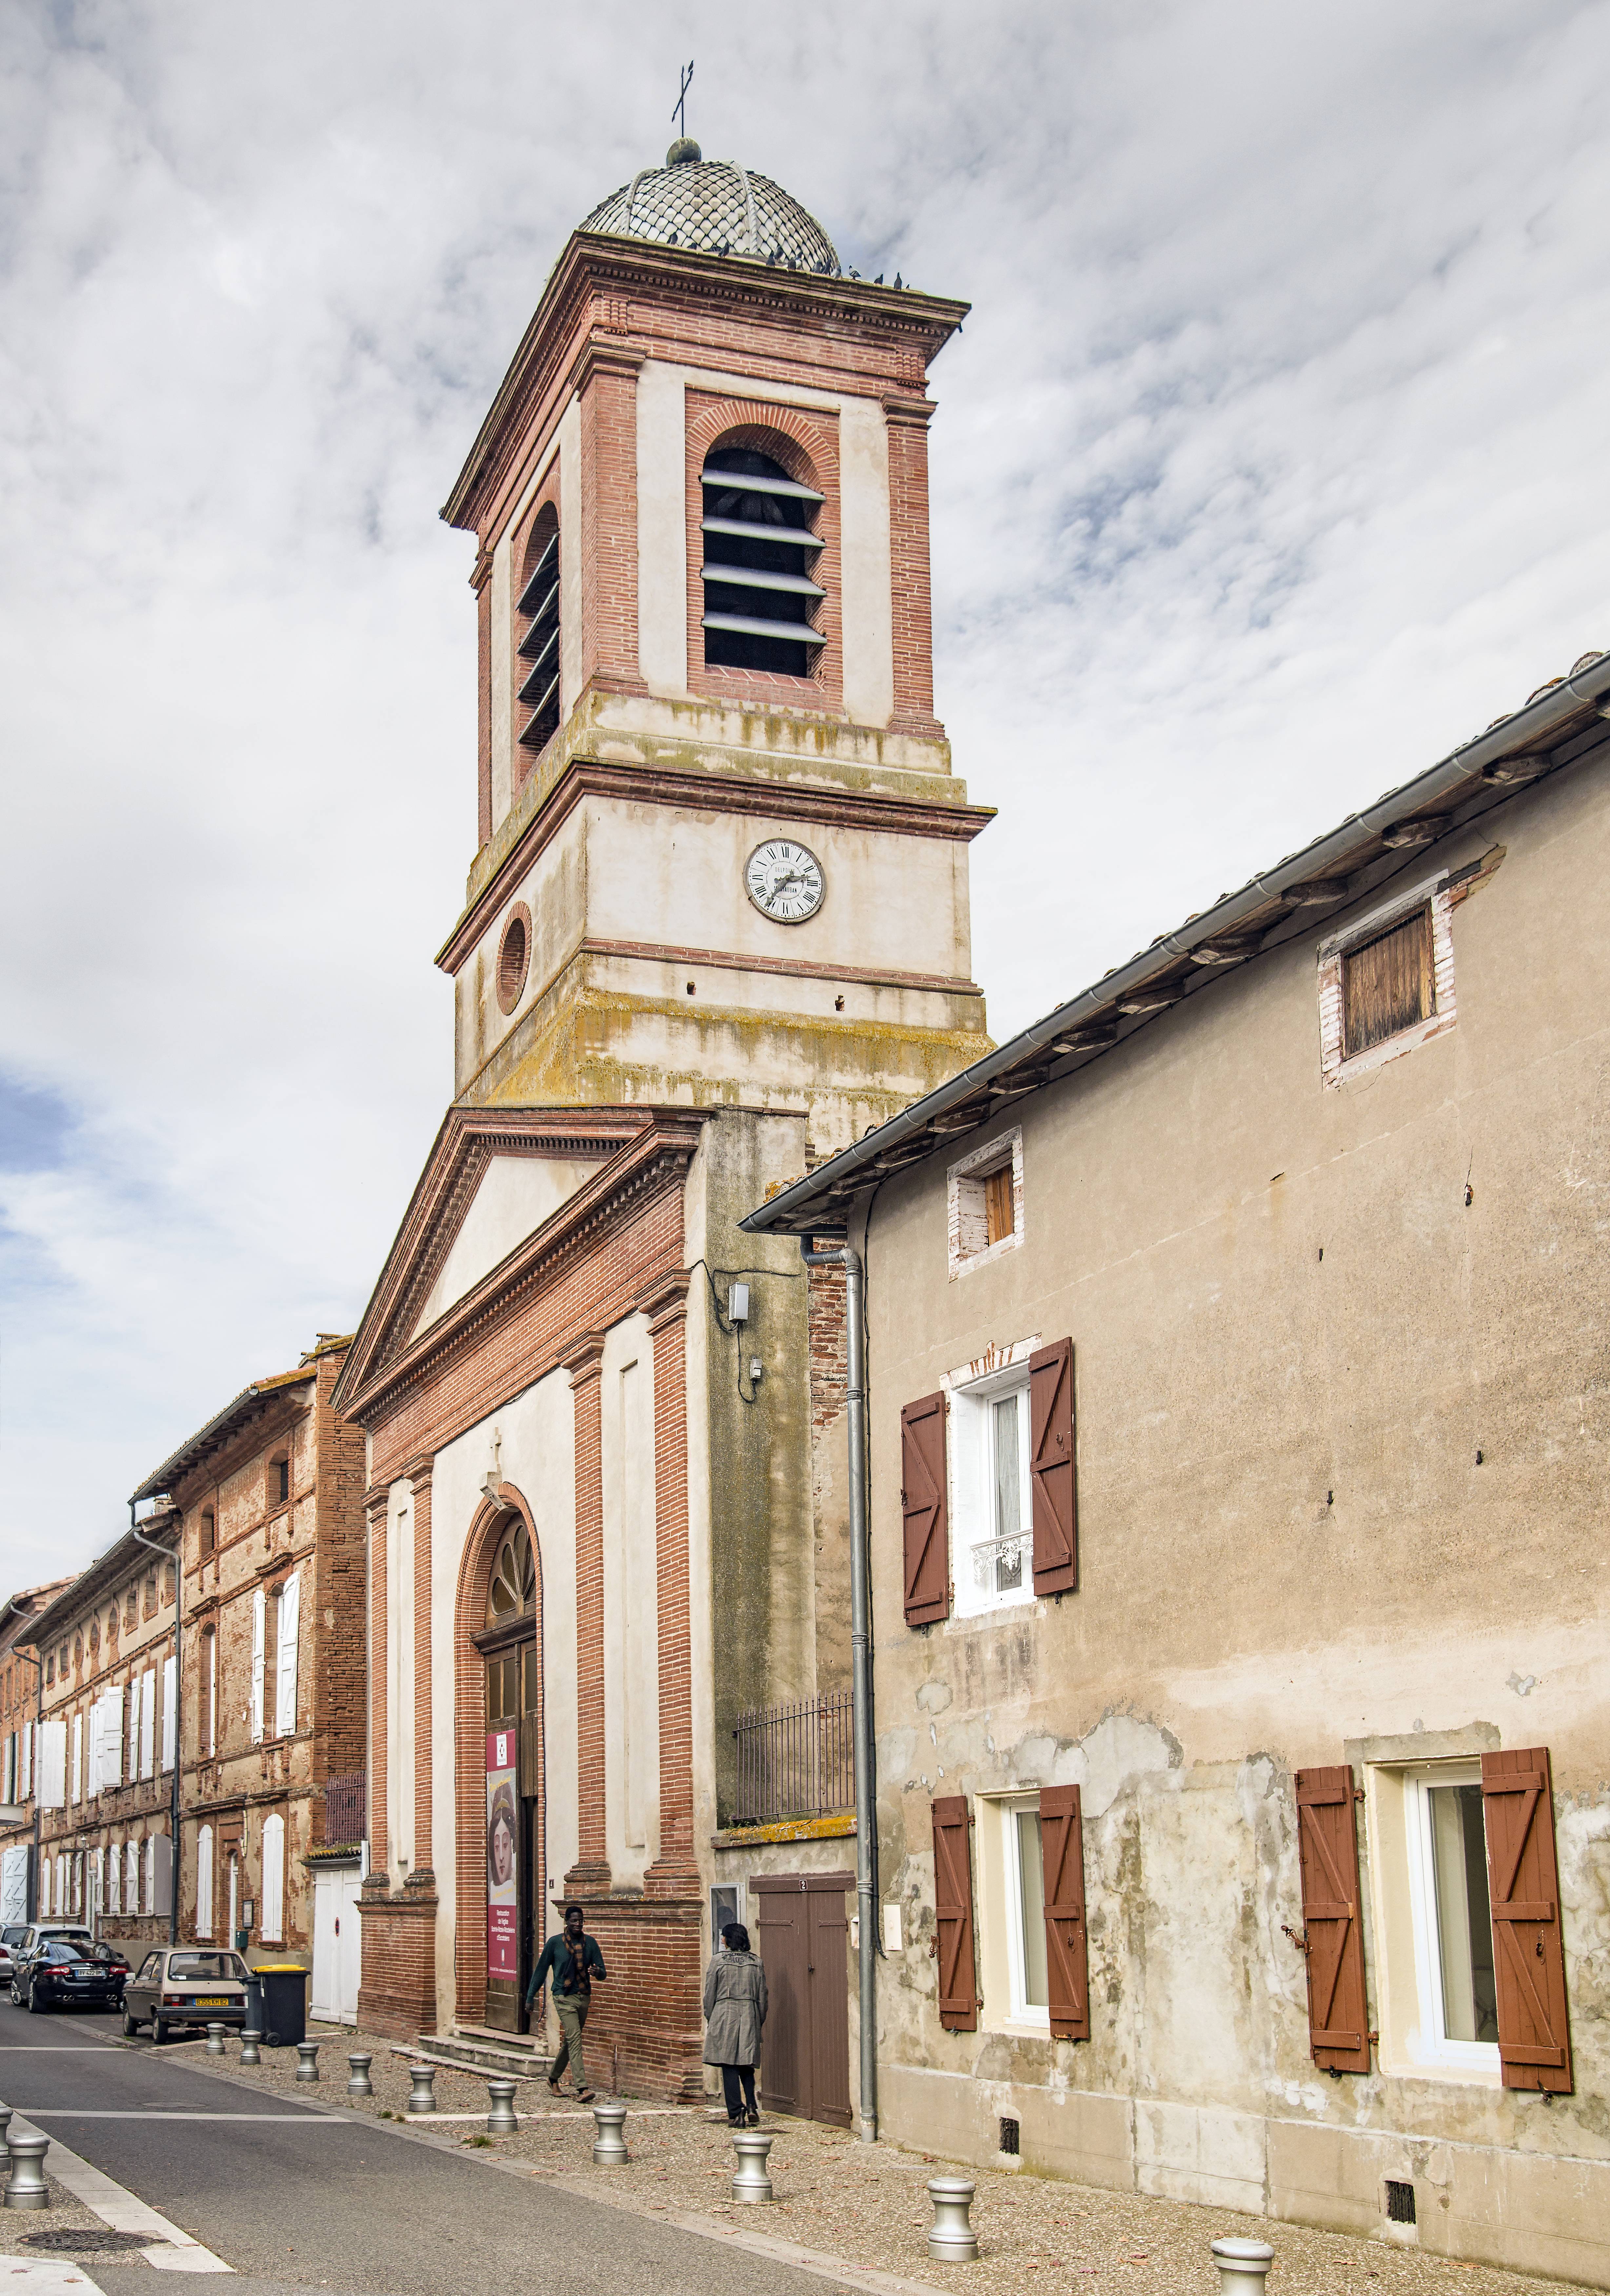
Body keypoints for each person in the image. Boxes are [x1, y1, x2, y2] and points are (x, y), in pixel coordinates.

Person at [526, 1903, 606, 2102]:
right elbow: (541, 1971)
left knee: (571, 2040)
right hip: (563, 1996)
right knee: (575, 2038)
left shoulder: (591, 1944)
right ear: (567, 1922)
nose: (578, 1924)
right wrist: (530, 1997)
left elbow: (603, 1972)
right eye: (574, 1921)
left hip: (583, 1996)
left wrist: (598, 1973)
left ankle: (553, 2078)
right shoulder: (555, 1944)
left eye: (581, 1921)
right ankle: (583, 2088)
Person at [703, 1920, 767, 2126]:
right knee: (747, 2063)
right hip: (750, 2013)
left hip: (724, 2013)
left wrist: (711, 2018)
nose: (722, 1940)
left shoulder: (718, 1961)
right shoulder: (757, 1962)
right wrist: (759, 2020)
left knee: (729, 2063)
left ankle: (736, 2111)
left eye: (724, 1936)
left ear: (729, 1939)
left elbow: (710, 1993)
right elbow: (763, 1996)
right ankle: (751, 2105)